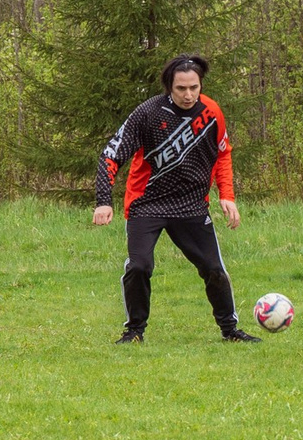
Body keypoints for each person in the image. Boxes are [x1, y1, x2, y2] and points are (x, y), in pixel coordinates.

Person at [91, 54, 255, 344]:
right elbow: (110, 155)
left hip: (191, 205)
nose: (189, 94)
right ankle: (134, 332)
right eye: (181, 88)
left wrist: (226, 195)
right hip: (147, 203)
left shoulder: (211, 111)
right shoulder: (148, 113)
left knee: (214, 269)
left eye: (194, 87)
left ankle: (230, 331)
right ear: (169, 86)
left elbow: (223, 153)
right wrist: (104, 200)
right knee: (139, 266)